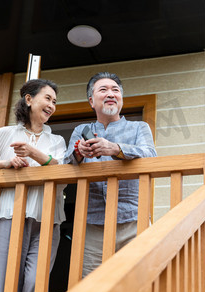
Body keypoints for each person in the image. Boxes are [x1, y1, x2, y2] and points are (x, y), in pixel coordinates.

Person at [0, 79, 66, 292]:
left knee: (35, 283)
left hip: (47, 219)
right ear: (29, 99)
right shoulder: (6, 133)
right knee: (4, 282)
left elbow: (63, 171)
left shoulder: (57, 140)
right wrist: (5, 163)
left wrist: (32, 152)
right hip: (8, 215)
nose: (51, 105)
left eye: (54, 102)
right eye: (47, 98)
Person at [64, 72, 157, 277]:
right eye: (103, 90)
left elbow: (150, 155)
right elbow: (67, 162)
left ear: (121, 99)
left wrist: (114, 148)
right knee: (91, 283)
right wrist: (80, 152)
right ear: (91, 101)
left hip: (133, 218)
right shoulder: (82, 129)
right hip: (92, 222)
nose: (111, 94)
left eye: (115, 90)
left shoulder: (139, 127)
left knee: (140, 279)